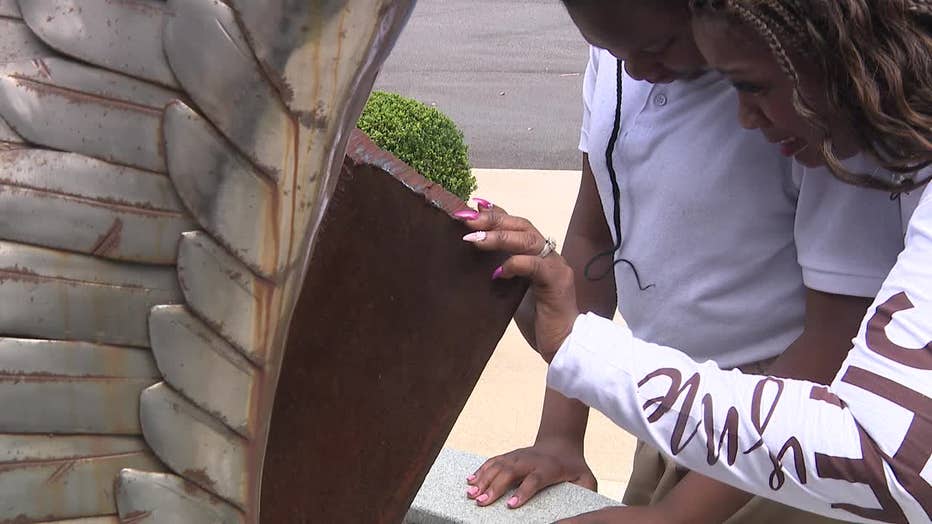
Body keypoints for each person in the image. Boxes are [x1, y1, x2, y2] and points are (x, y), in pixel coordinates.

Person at [459, 0, 932, 522]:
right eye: (610, 48)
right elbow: (594, 236)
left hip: (783, 440)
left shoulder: (820, 127)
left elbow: (869, 430)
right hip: (669, 414)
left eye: (656, 47)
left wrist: (677, 516)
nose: (633, 67)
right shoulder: (630, 66)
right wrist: (560, 434)